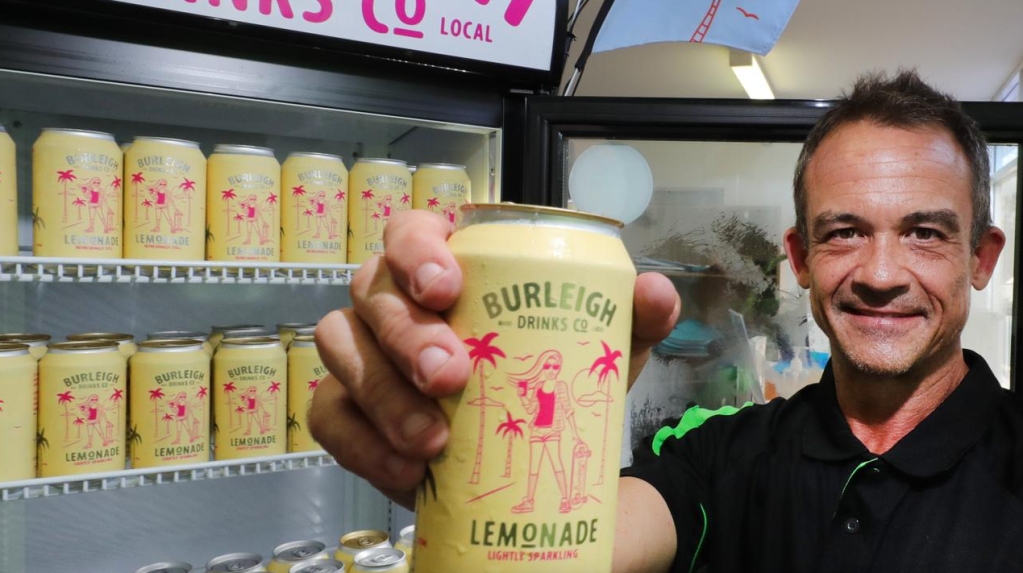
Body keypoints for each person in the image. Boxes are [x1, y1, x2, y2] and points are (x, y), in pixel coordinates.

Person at [308, 70, 1019, 572]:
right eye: (843, 232)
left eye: (924, 232)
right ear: (798, 258)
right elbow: (577, 549)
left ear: (980, 258)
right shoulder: (722, 455)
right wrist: (465, 451)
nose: (880, 272)